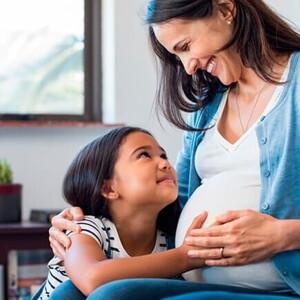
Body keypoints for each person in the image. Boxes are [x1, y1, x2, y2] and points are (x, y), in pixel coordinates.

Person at [48, 0, 300, 299]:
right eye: (176, 56)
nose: (188, 67)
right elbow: (172, 204)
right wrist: (80, 223)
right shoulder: (209, 106)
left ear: (225, 9)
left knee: (110, 296)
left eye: (186, 45)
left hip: (280, 286)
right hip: (197, 279)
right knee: (67, 293)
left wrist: (283, 235)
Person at [35, 126, 209, 299]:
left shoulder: (171, 238)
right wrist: (185, 257)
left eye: (163, 155)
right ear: (109, 188)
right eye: (143, 155)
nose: (165, 164)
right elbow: (92, 279)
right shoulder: (85, 228)